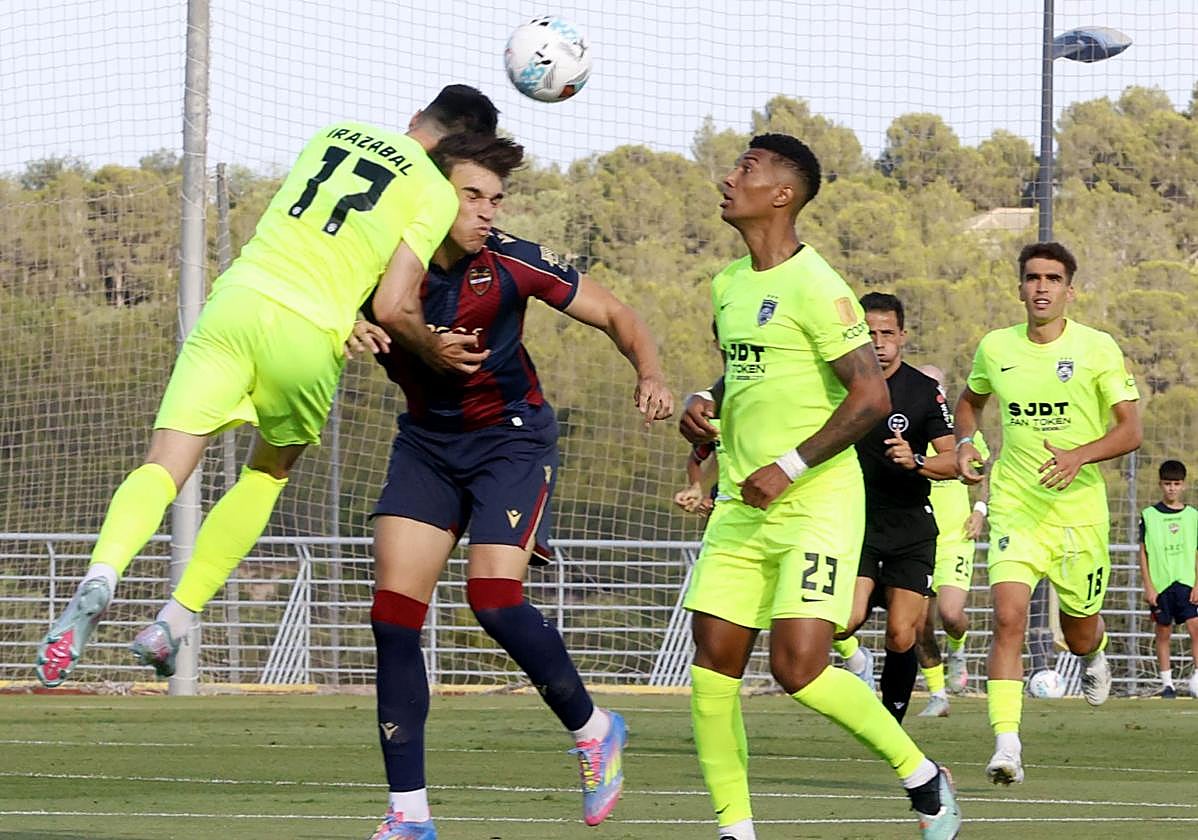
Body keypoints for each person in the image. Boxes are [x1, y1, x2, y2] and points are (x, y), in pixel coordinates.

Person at [34, 85, 503, 687]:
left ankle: (101, 572)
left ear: (416, 117)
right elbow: (394, 303)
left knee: (165, 465)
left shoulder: (333, 133)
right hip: (308, 335)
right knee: (266, 473)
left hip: (237, 302)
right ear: (465, 149)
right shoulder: (435, 192)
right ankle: (172, 623)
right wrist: (432, 346)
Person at [355, 132, 674, 840]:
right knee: (392, 619)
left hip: (511, 440)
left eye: (495, 199)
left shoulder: (511, 260)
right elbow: (328, 306)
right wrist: (345, 323)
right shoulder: (375, 261)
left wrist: (649, 373)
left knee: (493, 599)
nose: (486, 212)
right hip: (426, 445)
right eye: (472, 196)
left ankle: (595, 731)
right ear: (432, 196)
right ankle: (408, 816)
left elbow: (621, 315)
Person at [678, 134, 961, 840]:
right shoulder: (728, 284)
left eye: (745, 169)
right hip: (743, 506)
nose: (727, 177)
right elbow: (747, 379)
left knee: (799, 667)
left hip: (814, 505)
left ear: (782, 193)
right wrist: (704, 409)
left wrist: (792, 465)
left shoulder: (819, 286)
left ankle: (922, 776)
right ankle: (735, 831)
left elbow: (867, 397)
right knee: (712, 669)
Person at [954, 241, 1141, 785]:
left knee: (1079, 629)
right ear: (1019, 288)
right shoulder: (996, 347)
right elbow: (971, 401)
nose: (1041, 287)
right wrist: (967, 441)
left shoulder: (1097, 349)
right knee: (1008, 619)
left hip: (1079, 512)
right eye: (1032, 277)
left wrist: (1079, 455)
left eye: (1052, 278)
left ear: (1069, 290)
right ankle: (1007, 746)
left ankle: (1094, 653)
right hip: (1017, 506)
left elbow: (1131, 430)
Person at [830, 294, 957, 725]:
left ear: (902, 336)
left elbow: (954, 460)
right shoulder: (838, 384)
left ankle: (891, 724)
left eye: (887, 333)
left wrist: (917, 461)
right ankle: (856, 665)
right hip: (856, 524)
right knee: (842, 622)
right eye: (870, 333)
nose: (879, 342)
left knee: (903, 633)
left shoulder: (923, 391)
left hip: (909, 529)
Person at [913, 364, 990, 717]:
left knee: (951, 613)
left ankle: (957, 652)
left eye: (936, 384)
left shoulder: (961, 433)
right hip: (919, 538)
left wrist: (980, 511)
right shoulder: (908, 424)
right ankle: (937, 695)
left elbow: (981, 473)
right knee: (919, 623)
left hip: (955, 538)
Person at [1138, 459, 1198, 699]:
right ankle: (1167, 685)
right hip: (1161, 584)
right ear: (1160, 484)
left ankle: (1196, 678)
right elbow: (1143, 551)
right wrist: (1149, 586)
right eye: (1167, 484)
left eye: (1176, 484)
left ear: (1183, 485)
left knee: (1196, 629)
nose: (1171, 488)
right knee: (1163, 633)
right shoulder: (1149, 515)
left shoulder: (1193, 516)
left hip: (1186, 582)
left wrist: (1197, 584)